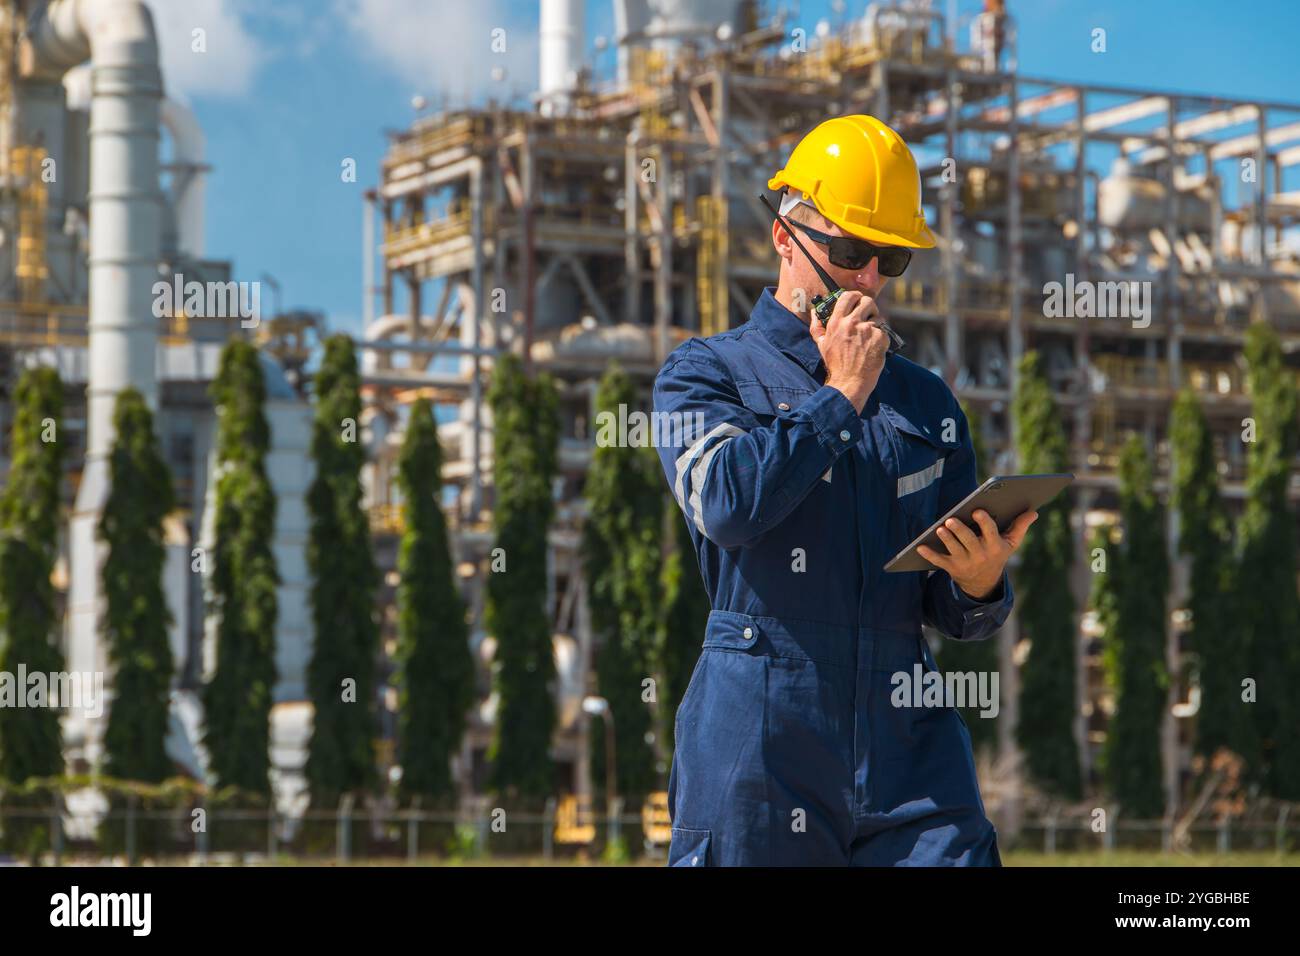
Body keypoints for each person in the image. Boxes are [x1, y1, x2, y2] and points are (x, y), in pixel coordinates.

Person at [652, 114, 1037, 866]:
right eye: (852, 251)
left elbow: (952, 613)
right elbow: (728, 507)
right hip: (761, 733)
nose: (868, 279)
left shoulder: (928, 404)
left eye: (888, 258)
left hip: (910, 741)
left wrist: (981, 584)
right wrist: (842, 394)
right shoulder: (702, 375)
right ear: (785, 237)